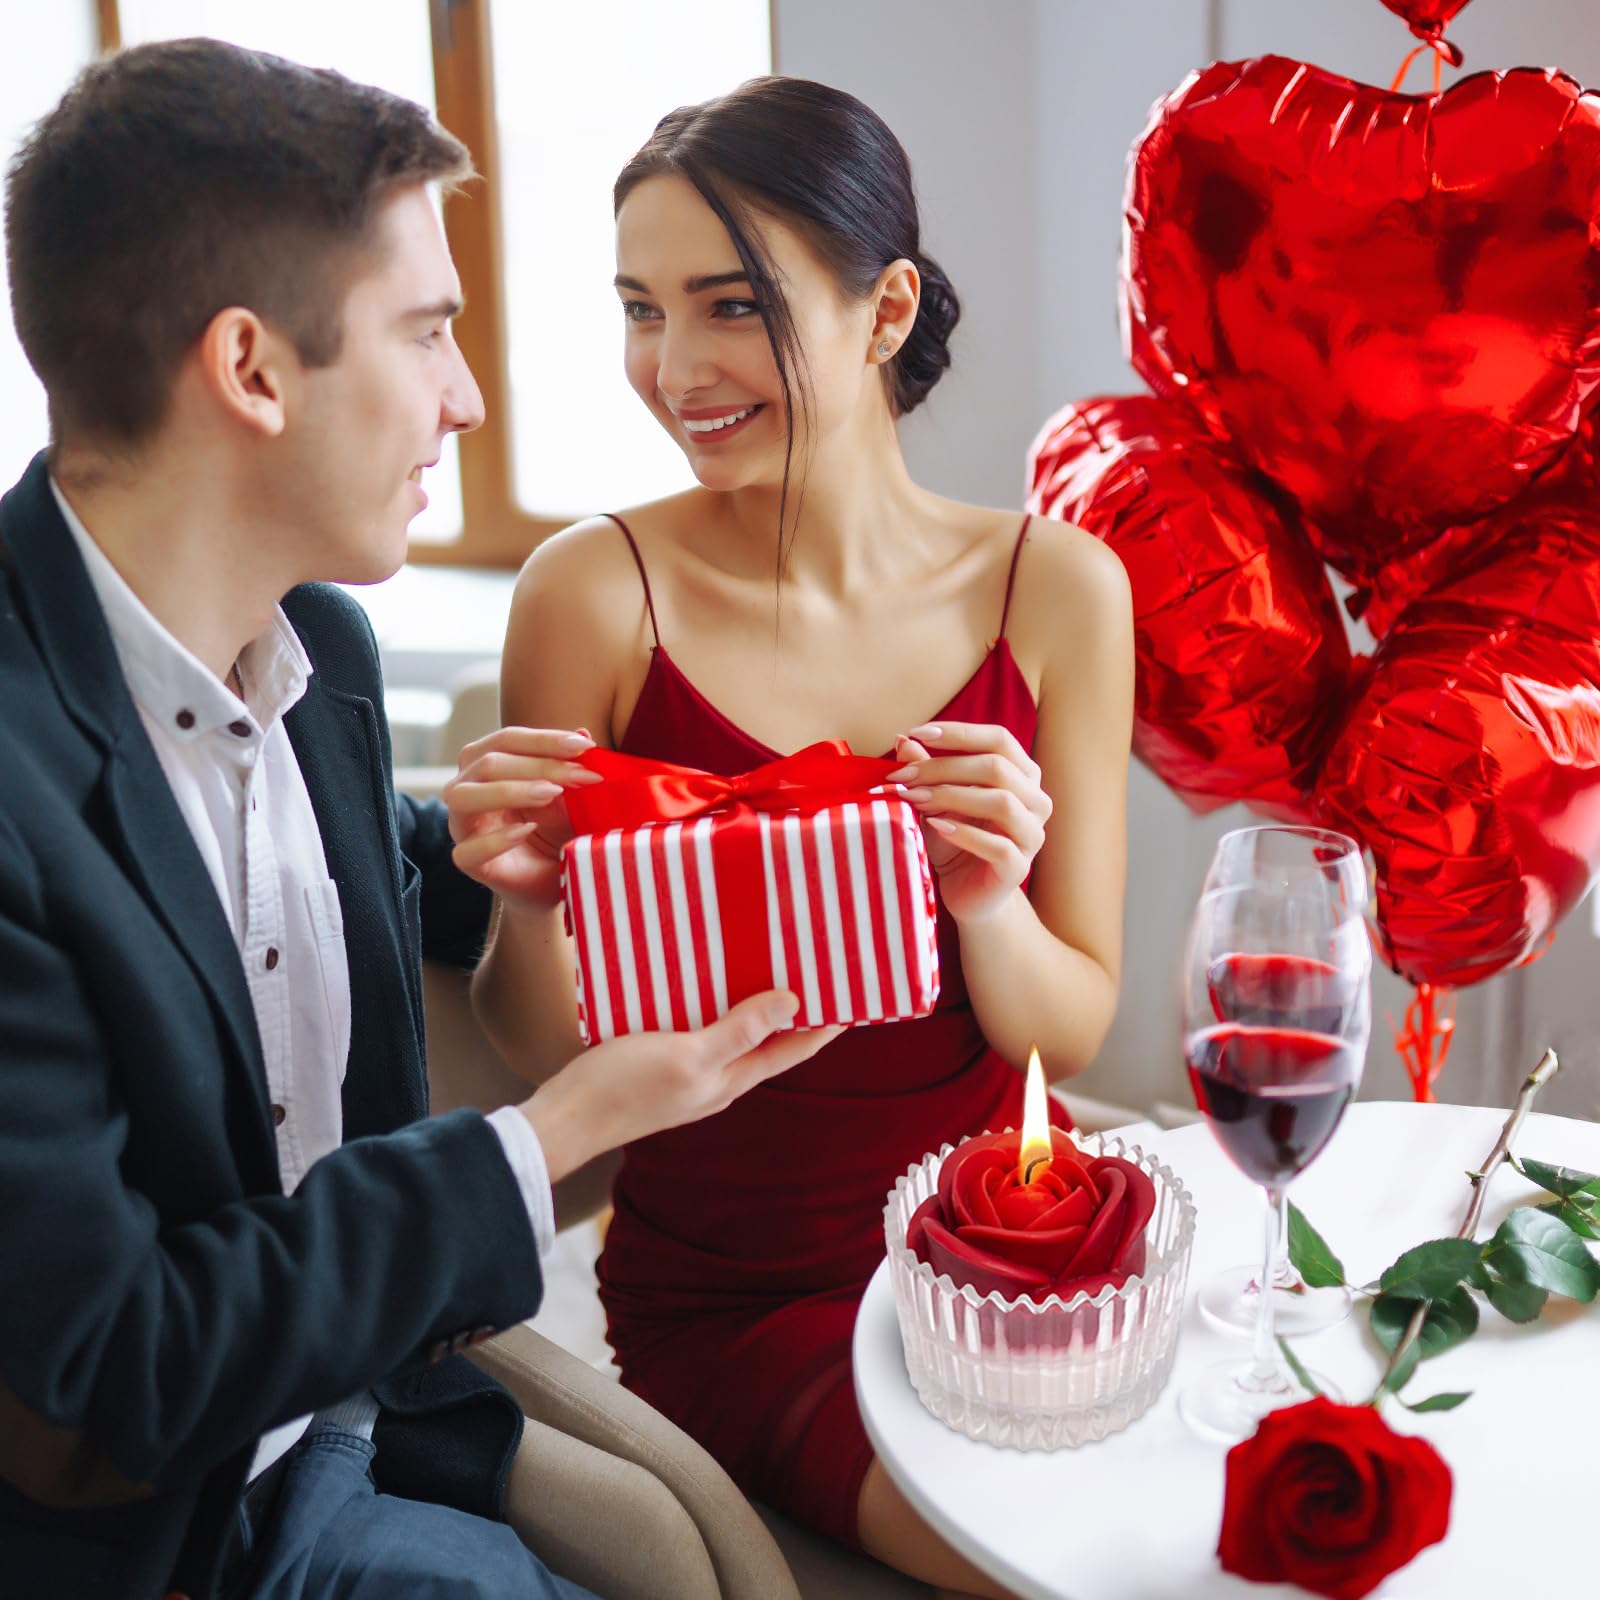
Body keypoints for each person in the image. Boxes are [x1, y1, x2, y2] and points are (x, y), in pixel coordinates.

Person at [0, 40, 835, 1600]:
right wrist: (566, 1126)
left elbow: (340, 864)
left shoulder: (319, 651)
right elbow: (110, 1381)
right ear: (251, 370)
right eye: (430, 332)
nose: (466, 398)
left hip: (367, 1400)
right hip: (168, 1524)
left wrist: (704, 858)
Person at [449, 75, 1134, 1600]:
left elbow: (1068, 1027)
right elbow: (537, 1050)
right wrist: (532, 906)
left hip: (1012, 1238)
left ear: (885, 310)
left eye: (732, 306)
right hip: (742, 1298)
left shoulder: (1059, 589)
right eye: (640, 308)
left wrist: (991, 907)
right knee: (1054, 1574)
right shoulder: (592, 593)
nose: (673, 366)